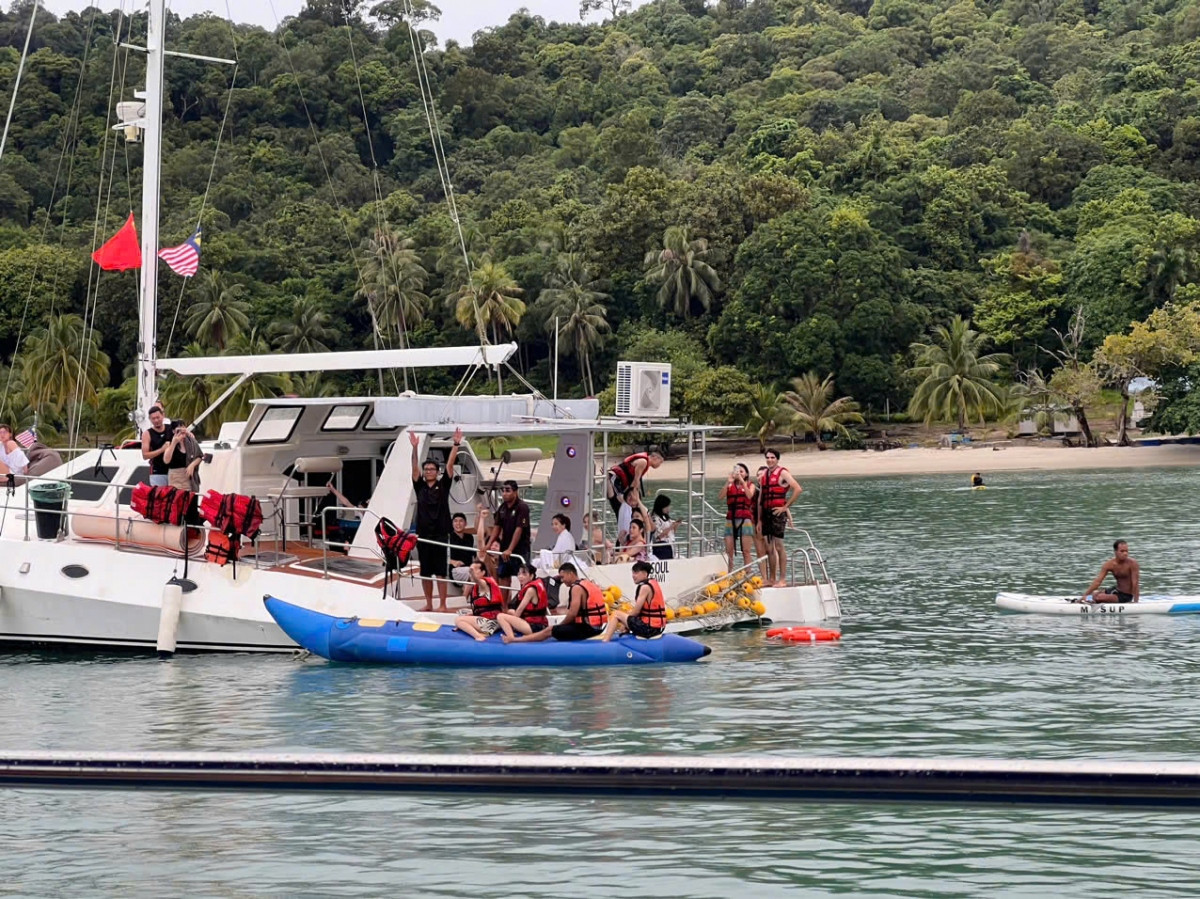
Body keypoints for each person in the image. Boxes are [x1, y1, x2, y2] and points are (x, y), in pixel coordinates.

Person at [411, 426, 462, 613]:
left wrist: (456, 444)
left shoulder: (443, 485)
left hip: (440, 534)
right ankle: (429, 603)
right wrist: (415, 448)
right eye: (426, 469)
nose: (428, 471)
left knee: (440, 571)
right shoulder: (420, 487)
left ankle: (442, 604)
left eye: (432, 469)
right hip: (423, 534)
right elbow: (414, 468)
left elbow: (450, 465)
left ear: (437, 472)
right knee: (425, 572)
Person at [508, 562, 608, 643]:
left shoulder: (576, 588)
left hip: (588, 629)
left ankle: (516, 640)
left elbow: (572, 614)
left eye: (563, 577)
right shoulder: (587, 583)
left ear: (571, 574)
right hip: (598, 627)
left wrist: (559, 626)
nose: (562, 581)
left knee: (550, 630)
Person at [759, 448, 802, 586]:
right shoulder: (764, 474)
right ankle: (772, 578)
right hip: (766, 513)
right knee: (769, 547)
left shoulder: (782, 473)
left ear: (777, 459)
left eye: (772, 457)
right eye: (768, 457)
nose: (770, 460)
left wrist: (785, 507)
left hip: (778, 512)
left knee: (778, 546)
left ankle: (782, 579)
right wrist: (759, 519)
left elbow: (797, 489)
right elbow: (761, 497)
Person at [601, 560, 667, 641]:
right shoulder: (653, 583)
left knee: (616, 614)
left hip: (648, 629)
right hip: (656, 628)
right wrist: (626, 622)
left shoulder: (645, 587)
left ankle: (605, 643)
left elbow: (636, 611)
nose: (633, 576)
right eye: (632, 573)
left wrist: (624, 623)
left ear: (644, 573)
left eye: (636, 573)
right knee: (626, 616)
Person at [488, 479, 531, 590]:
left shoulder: (522, 507)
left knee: (524, 577)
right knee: (503, 577)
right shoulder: (502, 508)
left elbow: (519, 529)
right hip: (505, 548)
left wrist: (510, 549)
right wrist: (488, 545)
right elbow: (497, 527)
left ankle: (525, 602)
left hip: (521, 549)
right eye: (503, 490)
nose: (504, 493)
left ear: (515, 492)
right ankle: (504, 606)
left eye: (508, 490)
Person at [497, 563, 551, 642]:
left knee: (500, 616)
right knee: (510, 612)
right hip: (539, 623)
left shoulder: (530, 590)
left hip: (535, 627)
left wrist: (511, 624)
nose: (520, 576)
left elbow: (519, 610)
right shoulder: (532, 586)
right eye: (519, 574)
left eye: (524, 574)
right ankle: (513, 630)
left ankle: (511, 637)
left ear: (531, 576)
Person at [454, 560, 505, 640]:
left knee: (458, 620)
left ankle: (478, 636)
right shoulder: (475, 587)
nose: (472, 572)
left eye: (475, 569)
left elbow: (478, 580)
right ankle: (478, 631)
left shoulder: (484, 584)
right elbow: (479, 610)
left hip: (491, 623)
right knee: (462, 613)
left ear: (483, 572)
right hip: (486, 621)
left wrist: (472, 574)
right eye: (471, 570)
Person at [1077, 540, 1140, 604]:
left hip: (1125, 596)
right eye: (1122, 551)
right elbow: (1097, 582)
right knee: (1094, 593)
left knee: (1098, 597)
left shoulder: (1132, 564)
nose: (1125, 553)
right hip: (1116, 590)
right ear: (1115, 552)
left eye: (1126, 551)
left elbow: (1135, 584)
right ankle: (1085, 598)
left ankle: (1089, 599)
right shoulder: (1109, 564)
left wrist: (1135, 602)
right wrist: (1085, 595)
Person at [720, 463, 757, 571]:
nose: (739, 473)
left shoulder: (751, 485)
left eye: (742, 471)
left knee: (746, 550)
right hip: (731, 518)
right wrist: (728, 482)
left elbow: (750, 496)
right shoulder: (730, 485)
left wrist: (742, 482)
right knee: (729, 550)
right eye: (737, 471)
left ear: (746, 474)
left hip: (745, 519)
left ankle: (747, 573)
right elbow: (721, 496)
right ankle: (729, 572)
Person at [141, 405, 186, 488]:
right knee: (160, 497)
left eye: (158, 417)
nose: (156, 420)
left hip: (174, 470)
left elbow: (183, 432)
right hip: (158, 471)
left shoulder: (170, 428)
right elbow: (145, 455)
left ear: (163, 416)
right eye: (153, 418)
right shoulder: (147, 434)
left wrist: (188, 433)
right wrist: (162, 450)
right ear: (150, 419)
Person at [448, 507, 488, 583]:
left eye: (461, 521)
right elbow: (440, 555)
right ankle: (467, 594)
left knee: (481, 570)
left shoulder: (469, 537)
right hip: (455, 570)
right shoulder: (449, 537)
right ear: (452, 524)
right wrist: (453, 562)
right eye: (455, 521)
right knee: (472, 572)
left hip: (469, 567)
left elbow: (473, 554)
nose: (458, 524)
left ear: (465, 523)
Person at [160, 423, 199, 491]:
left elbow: (199, 456)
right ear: (173, 431)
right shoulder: (169, 443)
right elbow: (166, 460)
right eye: (179, 430)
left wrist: (192, 465)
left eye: (183, 429)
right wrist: (174, 443)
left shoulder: (190, 442)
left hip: (189, 479)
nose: (181, 432)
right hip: (175, 479)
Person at [649, 494, 678, 560]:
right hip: (662, 547)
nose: (668, 508)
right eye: (666, 506)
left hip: (670, 545)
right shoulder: (655, 518)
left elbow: (672, 532)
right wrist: (671, 527)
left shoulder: (665, 516)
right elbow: (658, 535)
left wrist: (675, 525)